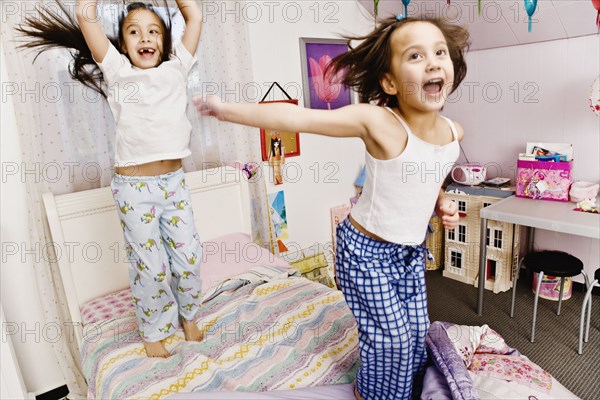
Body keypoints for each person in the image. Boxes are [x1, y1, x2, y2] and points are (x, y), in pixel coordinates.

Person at [194, 15, 469, 399]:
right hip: (365, 252)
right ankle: (369, 393)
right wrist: (227, 110)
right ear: (390, 82)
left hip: (409, 252)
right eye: (416, 56)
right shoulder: (378, 122)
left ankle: (407, 390)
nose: (434, 62)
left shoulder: (453, 133)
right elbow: (297, 118)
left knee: (416, 333)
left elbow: (430, 174)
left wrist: (442, 202)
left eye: (439, 52)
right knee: (390, 338)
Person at [17, 0, 204, 358]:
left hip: (174, 183)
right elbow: (85, 14)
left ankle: (190, 315)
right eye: (134, 32)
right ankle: (153, 331)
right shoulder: (117, 70)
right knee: (150, 267)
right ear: (122, 44)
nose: (144, 38)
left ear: (165, 42)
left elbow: (194, 15)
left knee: (188, 258)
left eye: (153, 31)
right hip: (135, 191)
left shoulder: (177, 68)